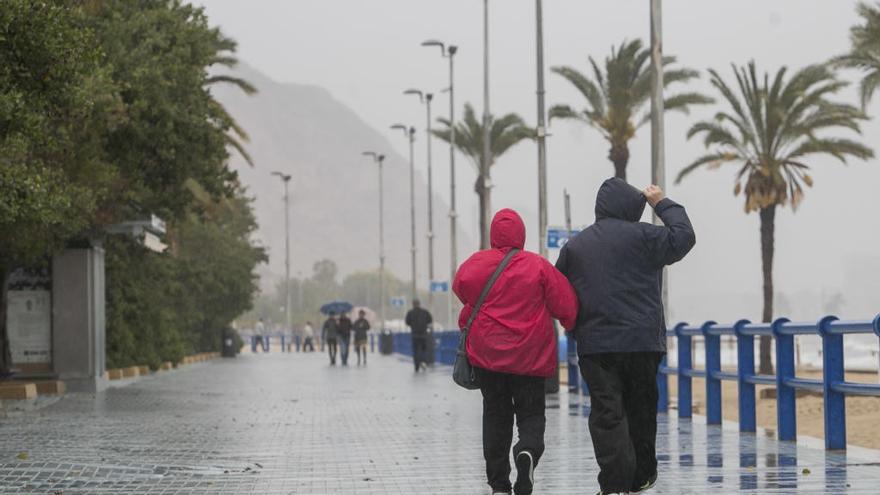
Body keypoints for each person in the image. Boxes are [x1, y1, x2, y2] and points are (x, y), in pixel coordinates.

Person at [556, 179, 695, 495]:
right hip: (642, 342)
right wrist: (661, 202)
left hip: (596, 345)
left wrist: (573, 327)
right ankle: (641, 476)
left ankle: (614, 484)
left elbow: (559, 292)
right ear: (633, 206)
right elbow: (685, 236)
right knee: (641, 409)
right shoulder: (646, 237)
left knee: (608, 413)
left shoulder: (576, 247)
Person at [454, 208, 578, 495]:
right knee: (531, 413)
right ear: (521, 234)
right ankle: (527, 452)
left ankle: (499, 485)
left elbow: (461, 289)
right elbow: (566, 304)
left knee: (495, 415)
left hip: (489, 358)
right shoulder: (538, 266)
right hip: (531, 358)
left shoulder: (476, 264)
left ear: (493, 234)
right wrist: (572, 325)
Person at [404, 299, 432, 372]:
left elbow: (407, 322)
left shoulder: (410, 313)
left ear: (413, 304)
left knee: (415, 350)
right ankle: (423, 361)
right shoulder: (425, 312)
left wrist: (413, 325)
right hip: (423, 335)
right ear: (419, 304)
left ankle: (416, 366)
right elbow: (430, 320)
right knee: (424, 349)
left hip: (415, 335)